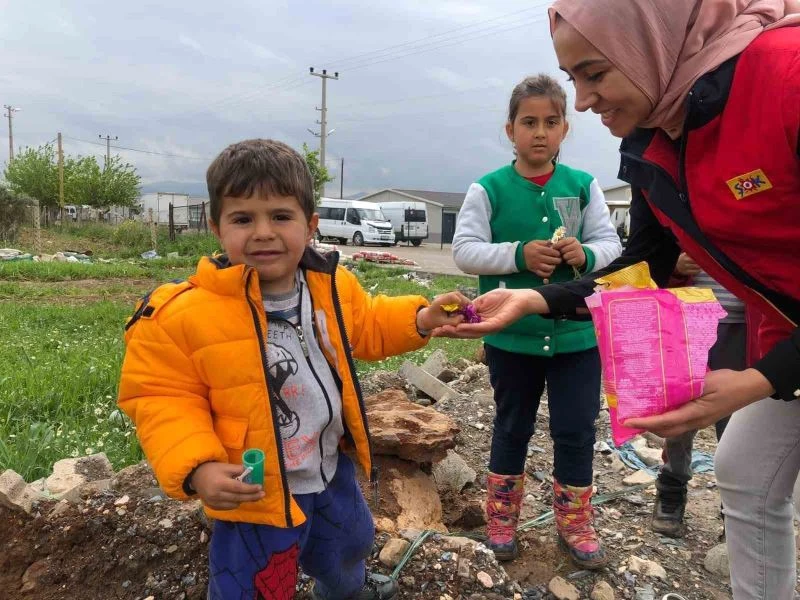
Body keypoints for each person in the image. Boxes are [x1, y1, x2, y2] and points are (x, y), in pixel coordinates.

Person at [435, 2, 800, 598]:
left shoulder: (788, 78)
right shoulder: (654, 139)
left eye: (595, 73)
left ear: (655, 40)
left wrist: (762, 379)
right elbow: (643, 269)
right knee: (746, 472)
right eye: (572, 77)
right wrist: (534, 301)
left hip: (784, 354)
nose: (580, 102)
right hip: (787, 336)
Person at [117, 139, 470, 600]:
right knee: (257, 580)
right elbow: (162, 398)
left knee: (350, 543)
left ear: (310, 225)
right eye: (243, 218)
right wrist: (199, 468)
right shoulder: (183, 315)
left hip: (327, 466)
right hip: (254, 492)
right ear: (216, 227)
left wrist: (422, 318)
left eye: (280, 216)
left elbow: (366, 325)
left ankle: (342, 591)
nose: (263, 232)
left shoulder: (330, 284)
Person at [452, 74, 622, 567]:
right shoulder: (488, 189)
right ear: (510, 130)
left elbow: (611, 247)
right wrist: (518, 253)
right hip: (512, 337)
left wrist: (586, 254)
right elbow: (464, 252)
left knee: (576, 429)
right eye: (529, 122)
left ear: (566, 129)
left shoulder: (584, 186)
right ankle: (501, 521)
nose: (540, 132)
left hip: (577, 336)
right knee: (511, 427)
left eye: (550, 122)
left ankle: (574, 523)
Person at [653, 253, 746, 538]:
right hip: (687, 319)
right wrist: (675, 267)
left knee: (738, 422)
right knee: (683, 408)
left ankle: (737, 507)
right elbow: (648, 267)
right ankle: (671, 486)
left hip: (745, 326)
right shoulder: (690, 212)